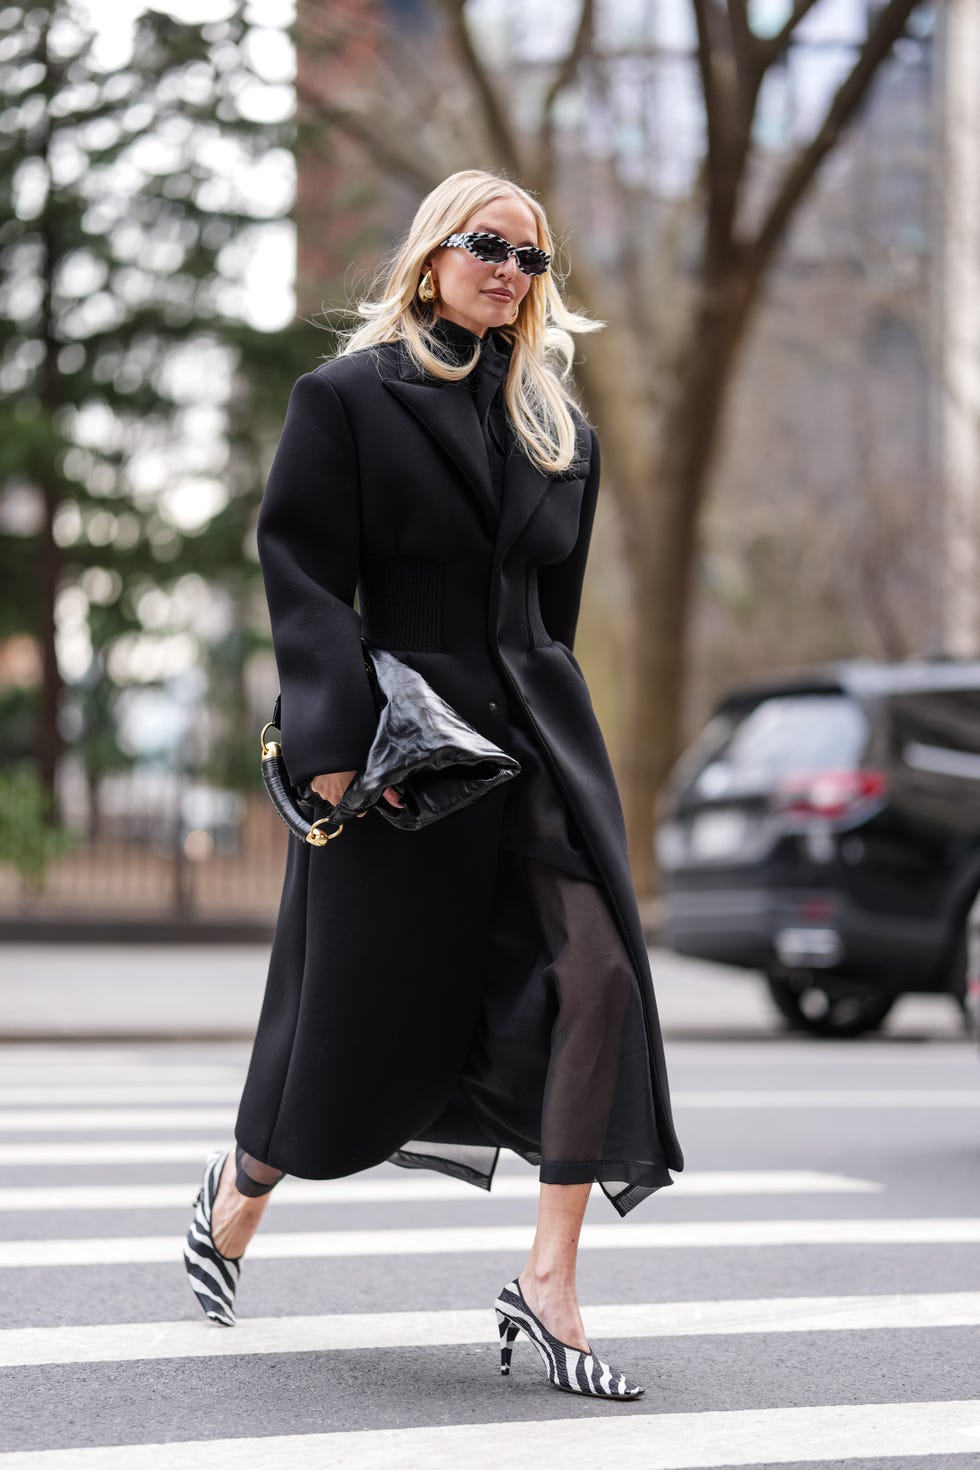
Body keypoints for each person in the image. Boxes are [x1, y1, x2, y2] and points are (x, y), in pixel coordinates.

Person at [183, 168, 683, 1400]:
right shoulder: (345, 399)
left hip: (539, 744)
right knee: (352, 1007)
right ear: (430, 253)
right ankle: (242, 1189)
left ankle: (547, 1283)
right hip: (406, 744)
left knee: (599, 973)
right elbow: (301, 572)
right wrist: (332, 744)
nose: (509, 271)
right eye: (486, 245)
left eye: (531, 259)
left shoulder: (562, 429)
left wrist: (558, 723)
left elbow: (549, 617)